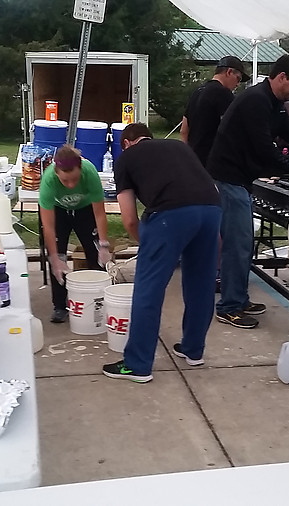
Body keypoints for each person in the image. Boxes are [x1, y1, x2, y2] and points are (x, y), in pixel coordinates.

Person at [102, 123, 222, 383]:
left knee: (148, 289)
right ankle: (193, 350)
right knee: (201, 284)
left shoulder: (127, 158)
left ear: (126, 143)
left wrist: (148, 245)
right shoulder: (179, 147)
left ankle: (138, 364)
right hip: (211, 212)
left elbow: (130, 219)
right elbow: (207, 186)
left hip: (170, 215)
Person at [205, 54, 289, 330]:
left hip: (241, 179)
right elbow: (265, 148)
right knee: (238, 245)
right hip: (228, 178)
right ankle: (229, 307)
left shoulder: (274, 102)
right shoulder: (256, 100)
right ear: (280, 77)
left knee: (243, 243)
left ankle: (238, 299)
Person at [38, 145, 112, 324]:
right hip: (59, 210)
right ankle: (60, 306)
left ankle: (101, 299)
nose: (71, 185)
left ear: (80, 169)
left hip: (84, 210)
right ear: (57, 173)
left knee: (95, 253)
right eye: (65, 181)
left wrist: (103, 243)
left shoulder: (89, 172)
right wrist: (54, 256)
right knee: (58, 258)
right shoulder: (48, 180)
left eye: (74, 179)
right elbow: (48, 226)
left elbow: (100, 213)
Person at [181, 56, 249, 166]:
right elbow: (232, 130)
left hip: (193, 160)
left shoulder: (197, 91)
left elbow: (184, 130)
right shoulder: (223, 94)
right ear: (229, 72)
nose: (237, 84)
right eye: (238, 79)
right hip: (213, 162)